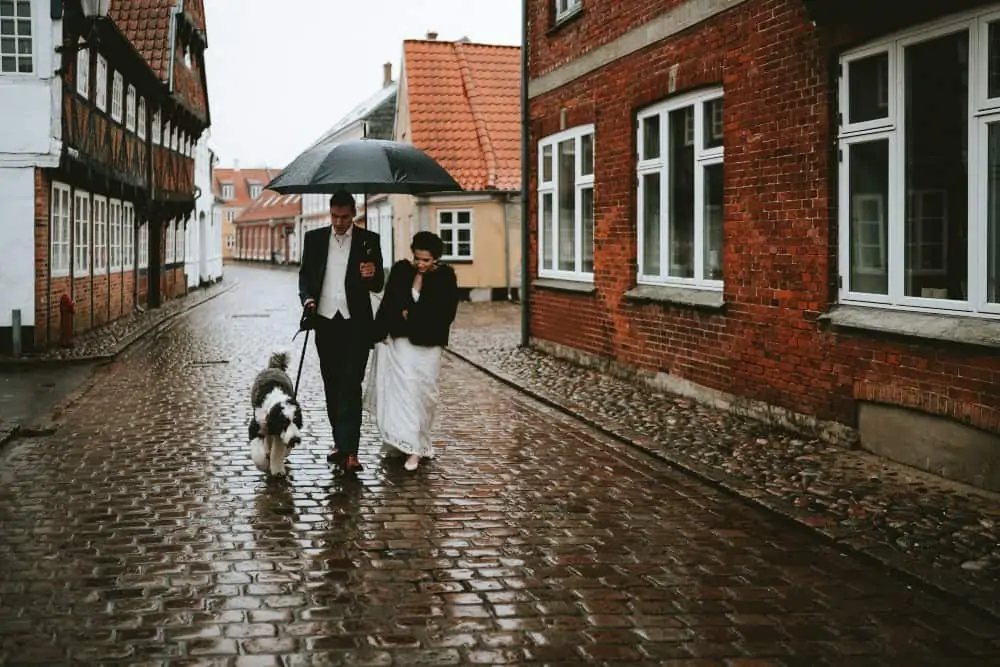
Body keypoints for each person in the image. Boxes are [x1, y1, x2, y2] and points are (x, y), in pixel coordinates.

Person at [298, 189, 384, 472]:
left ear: (354, 213)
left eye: (344, 217)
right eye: (334, 216)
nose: (339, 222)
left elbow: (378, 283)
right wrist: (308, 298)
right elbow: (305, 277)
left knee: (350, 384)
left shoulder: (369, 242)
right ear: (329, 212)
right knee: (332, 384)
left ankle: (351, 451)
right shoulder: (314, 239)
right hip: (325, 321)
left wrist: (372, 274)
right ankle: (340, 441)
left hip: (356, 324)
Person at [367, 231, 460, 471]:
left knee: (424, 394)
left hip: (429, 345)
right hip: (403, 343)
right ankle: (411, 448)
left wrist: (412, 315)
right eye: (418, 258)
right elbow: (390, 303)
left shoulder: (445, 278)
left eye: (426, 260)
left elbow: (445, 313)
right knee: (405, 392)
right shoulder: (400, 271)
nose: (421, 264)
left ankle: (420, 441)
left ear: (436, 259)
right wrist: (379, 331)